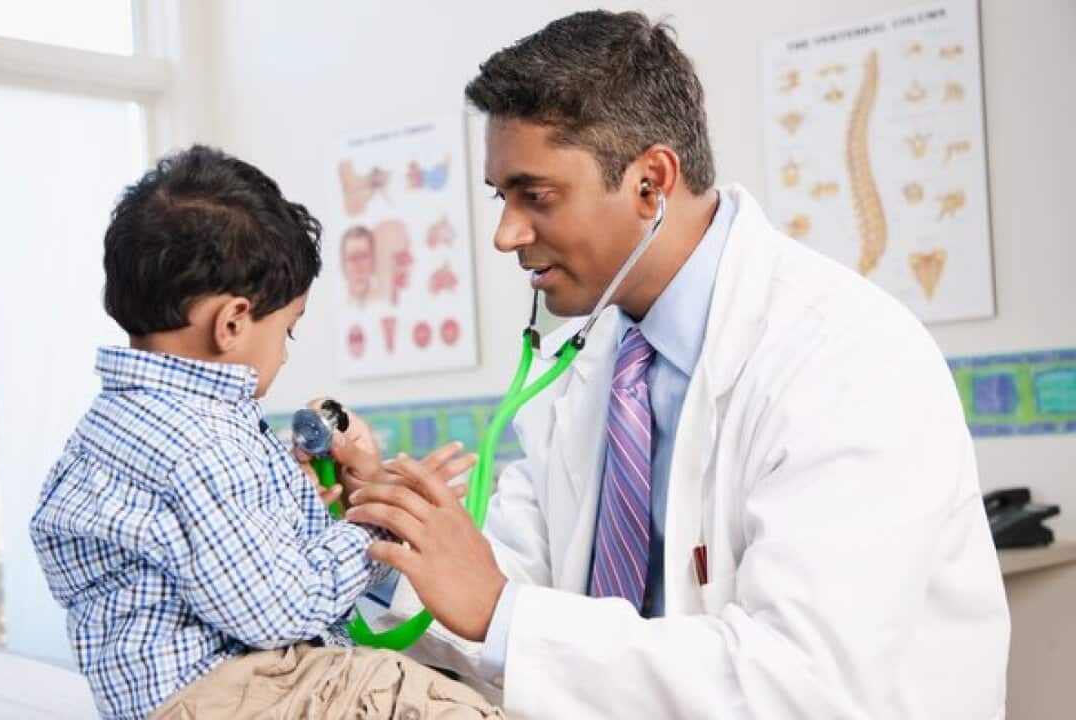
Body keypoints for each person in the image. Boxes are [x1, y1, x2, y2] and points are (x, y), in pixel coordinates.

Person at [339, 11, 1010, 718]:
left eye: (534, 195)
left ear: (651, 183)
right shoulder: (592, 360)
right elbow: (505, 590)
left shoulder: (848, 358)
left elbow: (802, 685)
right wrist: (384, 543)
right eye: (500, 196)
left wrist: (504, 612)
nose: (507, 234)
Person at [29, 145, 501, 720]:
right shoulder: (205, 445)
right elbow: (275, 610)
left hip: (163, 699)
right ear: (231, 323)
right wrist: (378, 526)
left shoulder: (113, 425)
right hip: (239, 692)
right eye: (288, 332)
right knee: (433, 700)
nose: (283, 355)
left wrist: (290, 510)